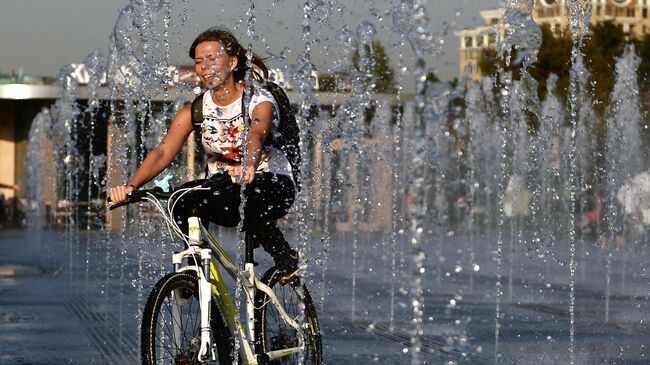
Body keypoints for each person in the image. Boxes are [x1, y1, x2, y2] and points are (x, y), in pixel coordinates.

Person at [107, 27, 298, 278]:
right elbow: (163, 151)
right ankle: (196, 275)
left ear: (232, 61)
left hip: (272, 186)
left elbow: (257, 132)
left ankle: (285, 257)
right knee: (182, 201)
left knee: (251, 198)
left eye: (212, 59)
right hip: (224, 189)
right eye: (199, 61)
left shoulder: (258, 99)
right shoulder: (195, 110)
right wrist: (131, 185)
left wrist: (249, 165)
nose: (205, 66)